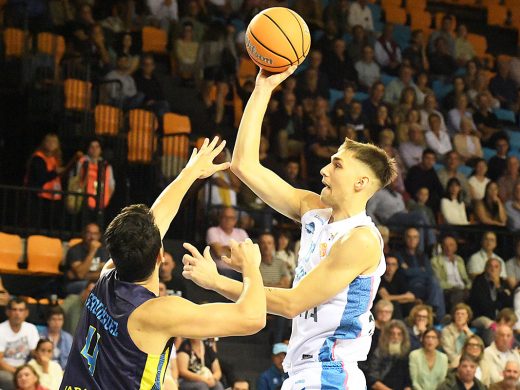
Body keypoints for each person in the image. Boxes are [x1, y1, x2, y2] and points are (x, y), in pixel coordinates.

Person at [184, 66, 397, 388]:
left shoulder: (361, 240)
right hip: (303, 371)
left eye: (337, 164)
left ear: (361, 182)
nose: (325, 169)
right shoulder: (314, 210)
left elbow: (292, 303)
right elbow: (243, 166)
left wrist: (220, 283)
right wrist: (262, 89)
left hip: (329, 372)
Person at [60, 137, 267, 389]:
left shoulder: (106, 276)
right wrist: (251, 268)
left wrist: (190, 173)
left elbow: (156, 219)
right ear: (160, 256)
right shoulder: (156, 313)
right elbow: (253, 318)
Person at [0, 298, 40, 390]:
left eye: (21, 310)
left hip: (25, 368)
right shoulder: (1, 329)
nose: (17, 313)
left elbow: (35, 353)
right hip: (5, 370)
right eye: (14, 310)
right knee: (10, 379)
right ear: (8, 312)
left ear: (26, 313)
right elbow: (0, 361)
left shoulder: (31, 328)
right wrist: (18, 372)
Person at [63, 222, 110, 294]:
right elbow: (80, 274)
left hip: (95, 283)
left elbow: (106, 275)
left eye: (95, 234)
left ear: (99, 235)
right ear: (84, 234)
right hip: (75, 284)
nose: (92, 237)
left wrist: (83, 275)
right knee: (94, 287)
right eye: (89, 233)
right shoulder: (75, 250)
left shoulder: (103, 251)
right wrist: (92, 251)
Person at [366, 320, 412, 390]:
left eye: (399, 334)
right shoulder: (378, 353)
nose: (395, 337)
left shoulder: (406, 353)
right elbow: (372, 380)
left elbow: (408, 381)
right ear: (387, 335)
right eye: (392, 334)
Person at [75, 138, 115, 218]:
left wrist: (105, 199)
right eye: (92, 147)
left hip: (101, 203)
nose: (94, 149)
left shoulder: (106, 165)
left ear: (100, 150)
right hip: (84, 202)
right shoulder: (82, 162)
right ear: (88, 149)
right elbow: (77, 180)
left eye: (97, 147)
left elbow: (111, 186)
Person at [206, 207, 249, 280]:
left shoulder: (242, 232)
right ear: (219, 218)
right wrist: (238, 251)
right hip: (221, 271)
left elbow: (247, 254)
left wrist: (226, 249)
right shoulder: (213, 231)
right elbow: (219, 253)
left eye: (231, 218)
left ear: (235, 220)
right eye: (225, 217)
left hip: (241, 271)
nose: (228, 220)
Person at [469, 259, 513, 330]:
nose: (493, 269)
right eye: (490, 266)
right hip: (481, 317)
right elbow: (483, 305)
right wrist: (499, 303)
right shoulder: (479, 281)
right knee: (489, 324)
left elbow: (509, 304)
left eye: (496, 267)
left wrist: (498, 287)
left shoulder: (503, 283)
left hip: (500, 318)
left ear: (500, 270)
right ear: (486, 268)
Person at [431, 236, 471, 311]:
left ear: (456, 247)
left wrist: (468, 286)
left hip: (463, 288)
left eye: (451, 245)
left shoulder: (459, 260)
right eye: (445, 245)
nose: (448, 248)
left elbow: (465, 278)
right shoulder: (435, 261)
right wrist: (454, 287)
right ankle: (455, 318)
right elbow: (438, 281)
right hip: (448, 289)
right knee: (458, 293)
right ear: (442, 247)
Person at [377, 254, 415, 320]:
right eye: (388, 264)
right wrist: (404, 296)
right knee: (395, 304)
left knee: (411, 305)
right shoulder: (379, 278)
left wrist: (393, 298)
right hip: (380, 305)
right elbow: (385, 298)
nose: (390, 267)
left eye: (393, 264)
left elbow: (411, 297)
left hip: (397, 305)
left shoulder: (399, 277)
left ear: (397, 266)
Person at [39, 306, 72, 370]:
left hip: (63, 372)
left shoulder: (68, 338)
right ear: (48, 321)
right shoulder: (39, 335)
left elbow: (72, 360)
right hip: (43, 369)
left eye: (60, 319)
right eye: (54, 319)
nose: (57, 323)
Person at [441, 303, 475, 368]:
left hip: (468, 364)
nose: (460, 316)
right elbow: (448, 351)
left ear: (467, 317)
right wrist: (460, 363)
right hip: (451, 363)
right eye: (457, 314)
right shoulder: (446, 331)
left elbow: (475, 348)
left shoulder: (469, 333)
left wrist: (467, 332)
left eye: (463, 314)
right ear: (454, 316)